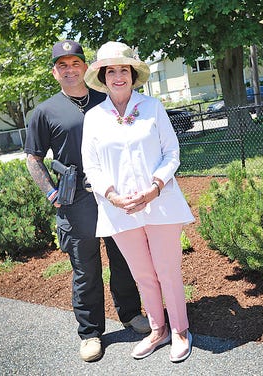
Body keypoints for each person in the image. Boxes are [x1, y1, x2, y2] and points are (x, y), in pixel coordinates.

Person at [24, 40, 150, 362]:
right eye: (62, 65)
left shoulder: (106, 99)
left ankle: (131, 314)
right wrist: (51, 193)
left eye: (75, 63)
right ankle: (90, 332)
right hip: (76, 197)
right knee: (85, 268)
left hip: (111, 192)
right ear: (55, 72)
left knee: (122, 258)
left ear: (86, 67)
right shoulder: (44, 111)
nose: (69, 70)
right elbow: (33, 158)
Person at [81, 41, 195, 362]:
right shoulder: (94, 117)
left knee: (168, 271)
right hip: (120, 211)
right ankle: (157, 330)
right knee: (142, 275)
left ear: (133, 74)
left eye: (124, 70)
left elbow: (172, 153)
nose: (119, 76)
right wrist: (113, 195)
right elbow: (92, 166)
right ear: (103, 76)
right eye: (111, 70)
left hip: (160, 203)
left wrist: (155, 187)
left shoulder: (153, 107)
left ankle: (180, 330)